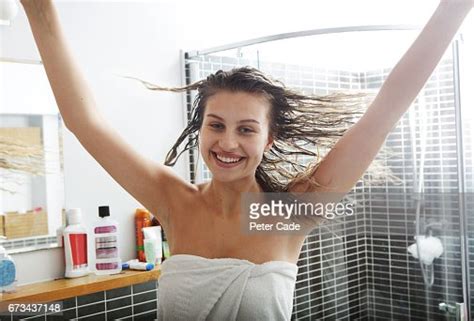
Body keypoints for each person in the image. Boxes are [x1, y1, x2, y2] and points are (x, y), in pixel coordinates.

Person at [20, 0, 473, 320]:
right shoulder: (174, 201)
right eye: (216, 124)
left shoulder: (289, 212)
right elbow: (84, 121)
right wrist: (38, 8)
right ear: (201, 129)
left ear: (270, 139)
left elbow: (386, 108)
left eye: (246, 129)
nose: (228, 143)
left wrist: (454, 7)